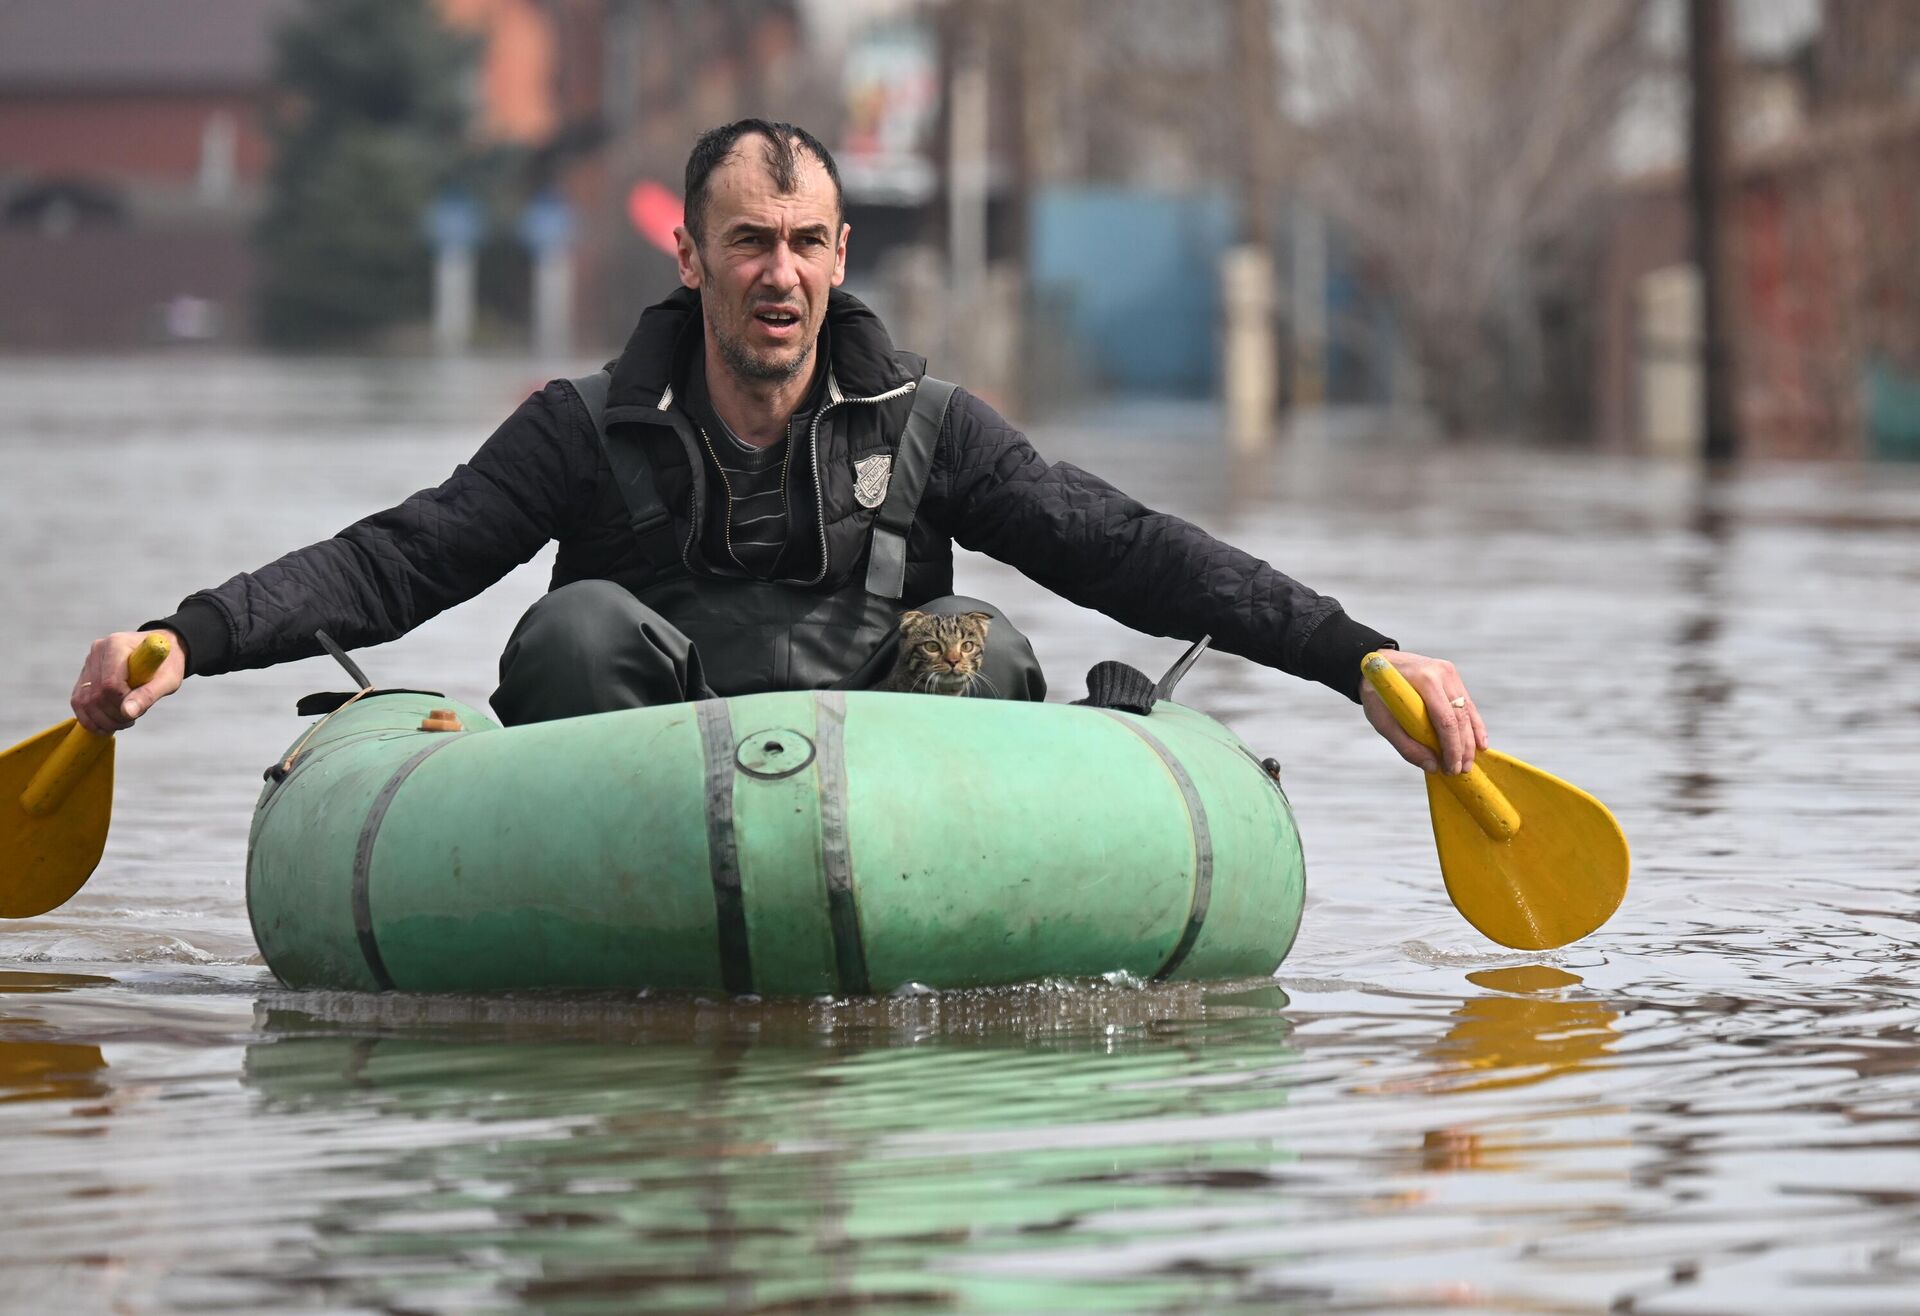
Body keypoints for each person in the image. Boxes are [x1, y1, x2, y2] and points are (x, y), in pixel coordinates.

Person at [69, 119, 1486, 776]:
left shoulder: (929, 431)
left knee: (977, 641)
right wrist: (188, 634)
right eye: (750, 241)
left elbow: (1131, 550)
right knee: (569, 633)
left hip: (895, 798)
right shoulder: (577, 430)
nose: (781, 274)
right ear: (691, 255)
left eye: (807, 243)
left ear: (841, 256)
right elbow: (398, 562)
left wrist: (1356, 654)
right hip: (623, 809)